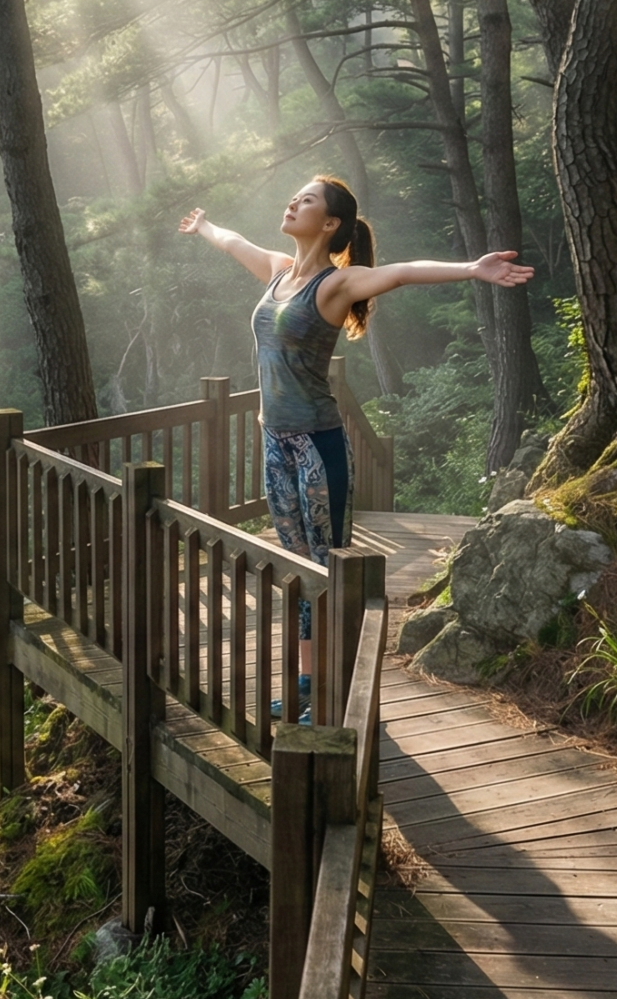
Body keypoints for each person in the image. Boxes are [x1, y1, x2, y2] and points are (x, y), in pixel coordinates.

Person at [179, 175, 535, 719]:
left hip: (319, 447)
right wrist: (205, 226)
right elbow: (235, 243)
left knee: (327, 568)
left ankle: (335, 690)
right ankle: (306, 682)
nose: (293, 201)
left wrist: (471, 269)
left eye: (308, 199)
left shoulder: (335, 285)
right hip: (276, 443)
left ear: (330, 224)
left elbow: (401, 273)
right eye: (294, 194)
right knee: (297, 567)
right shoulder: (277, 273)